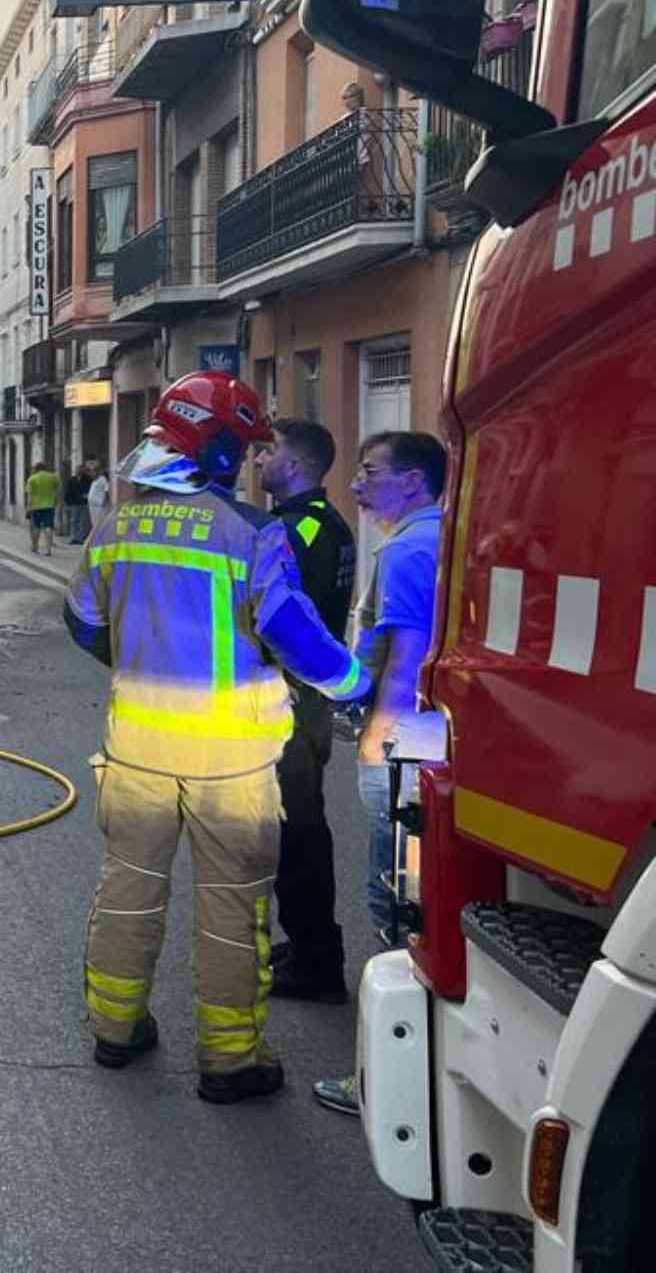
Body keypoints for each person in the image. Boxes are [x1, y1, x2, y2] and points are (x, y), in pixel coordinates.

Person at [64, 372, 370, 1105]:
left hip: (136, 751)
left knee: (128, 892)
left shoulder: (115, 529)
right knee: (232, 908)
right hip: (230, 762)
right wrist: (358, 684)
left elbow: (81, 623)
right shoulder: (253, 534)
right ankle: (230, 1062)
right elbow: (298, 638)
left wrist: (137, 657)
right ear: (225, 448)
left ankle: (116, 1030)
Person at [313, 430, 447, 1116]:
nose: (358, 485)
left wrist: (376, 741)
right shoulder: (442, 534)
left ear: (415, 482)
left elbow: (405, 652)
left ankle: (383, 1086)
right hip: (436, 735)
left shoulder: (405, 549)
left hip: (406, 742)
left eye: (372, 473)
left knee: (394, 906)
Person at [254, 418, 359, 1004]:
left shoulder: (293, 531)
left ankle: (318, 961)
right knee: (299, 827)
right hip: (308, 697)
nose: (257, 461)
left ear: (293, 464)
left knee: (296, 834)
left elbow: (280, 622)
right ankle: (308, 942)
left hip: (290, 699)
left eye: (267, 452)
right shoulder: (328, 523)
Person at [24, 459, 60, 555]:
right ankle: (48, 549)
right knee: (48, 527)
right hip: (49, 505)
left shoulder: (32, 479)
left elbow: (30, 496)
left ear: (36, 469)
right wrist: (55, 501)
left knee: (36, 527)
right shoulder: (53, 477)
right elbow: (57, 490)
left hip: (36, 506)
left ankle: (35, 547)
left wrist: (28, 508)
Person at [65, 459, 96, 543]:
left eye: (81, 469)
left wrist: (87, 494)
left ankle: (81, 538)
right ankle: (74, 538)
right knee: (74, 521)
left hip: (84, 503)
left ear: (83, 470)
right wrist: (67, 502)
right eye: (77, 469)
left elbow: (90, 489)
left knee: (83, 521)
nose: (79, 471)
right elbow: (68, 491)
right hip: (74, 503)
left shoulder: (88, 480)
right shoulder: (71, 480)